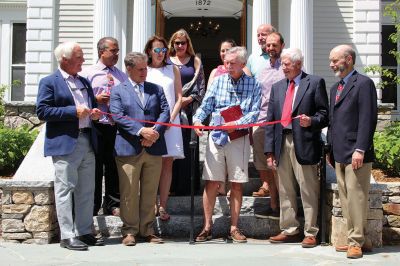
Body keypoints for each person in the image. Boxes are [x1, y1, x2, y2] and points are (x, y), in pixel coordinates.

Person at [36, 42, 104, 250]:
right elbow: (43, 111)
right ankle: (67, 236)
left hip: (87, 139)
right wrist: (72, 111)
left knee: (87, 190)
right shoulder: (49, 82)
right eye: (79, 57)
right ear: (64, 59)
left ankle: (83, 231)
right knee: (65, 189)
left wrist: (94, 114)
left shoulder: (83, 81)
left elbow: (89, 108)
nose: (83, 60)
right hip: (65, 143)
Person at [193, 47, 261, 243]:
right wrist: (198, 120)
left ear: (242, 64)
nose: (228, 66)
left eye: (232, 63)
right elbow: (205, 105)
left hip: (238, 137)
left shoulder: (254, 84)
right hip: (216, 135)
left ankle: (234, 227)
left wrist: (236, 124)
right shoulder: (218, 81)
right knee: (211, 182)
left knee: (237, 183)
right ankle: (207, 226)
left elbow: (254, 112)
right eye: (226, 63)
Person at [265, 48, 329, 248]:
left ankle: (311, 232)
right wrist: (269, 151)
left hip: (305, 143)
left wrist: (311, 121)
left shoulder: (315, 83)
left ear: (298, 64)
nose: (282, 67)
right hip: (281, 142)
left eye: (286, 64)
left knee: (308, 189)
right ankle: (289, 229)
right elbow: (271, 121)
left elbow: (324, 114)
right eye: (282, 64)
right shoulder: (277, 87)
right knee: (285, 189)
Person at [110, 52, 170, 246]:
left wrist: (154, 133)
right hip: (129, 148)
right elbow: (118, 116)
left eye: (146, 68)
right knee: (129, 191)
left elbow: (165, 112)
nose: (145, 72)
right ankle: (129, 231)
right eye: (141, 69)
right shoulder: (118, 91)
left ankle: (148, 229)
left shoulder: (156, 89)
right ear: (129, 69)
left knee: (150, 191)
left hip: (153, 147)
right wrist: (141, 131)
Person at [328, 44, 377, 259]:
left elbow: (368, 119)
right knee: (347, 198)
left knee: (356, 197)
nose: (331, 64)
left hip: (356, 152)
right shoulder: (335, 88)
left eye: (335, 60)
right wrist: (329, 149)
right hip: (339, 151)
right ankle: (358, 238)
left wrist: (360, 149)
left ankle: (355, 241)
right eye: (331, 61)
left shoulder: (364, 84)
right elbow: (333, 122)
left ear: (348, 59)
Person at [81, 37, 128, 216]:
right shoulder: (88, 73)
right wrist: (96, 100)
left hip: (115, 126)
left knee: (113, 165)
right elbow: (80, 98)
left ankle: (112, 203)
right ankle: (93, 205)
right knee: (94, 166)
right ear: (102, 51)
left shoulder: (120, 75)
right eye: (113, 50)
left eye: (117, 51)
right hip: (96, 125)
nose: (116, 54)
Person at [144, 35, 184, 221]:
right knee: (151, 163)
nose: (160, 53)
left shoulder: (172, 69)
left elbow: (178, 96)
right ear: (149, 52)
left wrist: (170, 119)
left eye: (163, 50)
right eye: (156, 50)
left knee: (167, 163)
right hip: (150, 123)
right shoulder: (144, 70)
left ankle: (163, 206)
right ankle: (150, 203)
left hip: (171, 122)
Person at [207, 39, 251, 195]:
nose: (224, 53)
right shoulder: (216, 75)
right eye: (222, 50)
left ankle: (229, 185)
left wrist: (237, 123)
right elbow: (208, 100)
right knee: (213, 174)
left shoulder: (248, 79)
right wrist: (200, 119)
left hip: (237, 130)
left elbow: (251, 108)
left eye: (228, 50)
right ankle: (221, 184)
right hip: (218, 128)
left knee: (236, 174)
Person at [167, 29, 205, 196]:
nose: (180, 45)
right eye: (177, 43)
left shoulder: (195, 61)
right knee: (172, 147)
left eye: (183, 42)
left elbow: (202, 87)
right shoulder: (167, 61)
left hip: (189, 112)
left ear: (188, 43)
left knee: (189, 148)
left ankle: (188, 187)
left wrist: (189, 99)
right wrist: (176, 102)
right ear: (172, 44)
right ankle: (172, 187)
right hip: (171, 112)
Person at [253, 32, 286, 220]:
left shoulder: (289, 67)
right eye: (268, 45)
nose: (271, 48)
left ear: (282, 45)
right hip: (263, 123)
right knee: (267, 167)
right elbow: (259, 99)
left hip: (283, 126)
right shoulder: (264, 71)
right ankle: (274, 205)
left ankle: (285, 209)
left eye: (274, 45)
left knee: (281, 170)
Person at [246, 23, 276, 197]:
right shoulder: (253, 58)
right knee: (259, 151)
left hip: (278, 114)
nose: (260, 38)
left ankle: (277, 188)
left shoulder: (281, 57)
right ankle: (265, 184)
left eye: (264, 34)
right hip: (259, 112)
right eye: (258, 35)